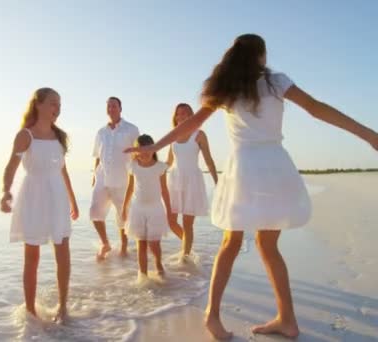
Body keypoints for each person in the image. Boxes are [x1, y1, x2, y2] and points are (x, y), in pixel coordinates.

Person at [125, 34, 378, 339]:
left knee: (231, 243)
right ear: (260, 56)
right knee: (267, 245)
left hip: (245, 167)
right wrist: (366, 133)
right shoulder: (275, 82)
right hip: (275, 165)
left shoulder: (227, 90)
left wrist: (154, 148)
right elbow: (316, 108)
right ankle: (285, 318)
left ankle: (217, 315)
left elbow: (189, 126)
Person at [0, 87, 79, 323]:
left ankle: (63, 308)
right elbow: (11, 167)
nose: (58, 108)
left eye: (60, 103)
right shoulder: (26, 135)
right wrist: (5, 192)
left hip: (57, 196)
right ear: (39, 105)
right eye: (53, 103)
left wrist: (73, 200)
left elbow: (63, 169)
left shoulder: (60, 136)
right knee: (32, 257)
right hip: (33, 196)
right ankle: (31, 313)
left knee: (62, 251)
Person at [166, 103, 218, 257]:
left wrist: (217, 182)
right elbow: (168, 162)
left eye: (185, 113)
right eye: (179, 113)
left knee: (188, 224)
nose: (181, 116)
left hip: (192, 181)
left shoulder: (199, 135)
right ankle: (187, 245)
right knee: (171, 221)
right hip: (174, 180)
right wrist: (148, 168)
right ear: (175, 117)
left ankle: (185, 256)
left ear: (192, 116)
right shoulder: (173, 134)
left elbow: (209, 160)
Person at [90, 96, 139, 260]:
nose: (111, 108)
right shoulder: (101, 132)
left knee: (122, 214)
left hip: (122, 178)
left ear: (120, 108)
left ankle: (124, 245)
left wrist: (138, 176)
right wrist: (93, 176)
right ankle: (105, 243)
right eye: (108, 106)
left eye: (114, 106)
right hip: (102, 177)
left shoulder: (131, 129)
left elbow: (138, 153)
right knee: (95, 212)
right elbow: (97, 155)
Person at [121, 134, 171, 278]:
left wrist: (169, 210)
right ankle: (142, 275)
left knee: (154, 244)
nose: (145, 153)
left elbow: (164, 189)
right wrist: (124, 207)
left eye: (148, 150)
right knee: (141, 244)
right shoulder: (133, 166)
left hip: (155, 209)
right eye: (141, 150)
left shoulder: (160, 167)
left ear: (154, 149)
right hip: (137, 209)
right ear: (136, 151)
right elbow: (130, 188)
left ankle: (158, 265)